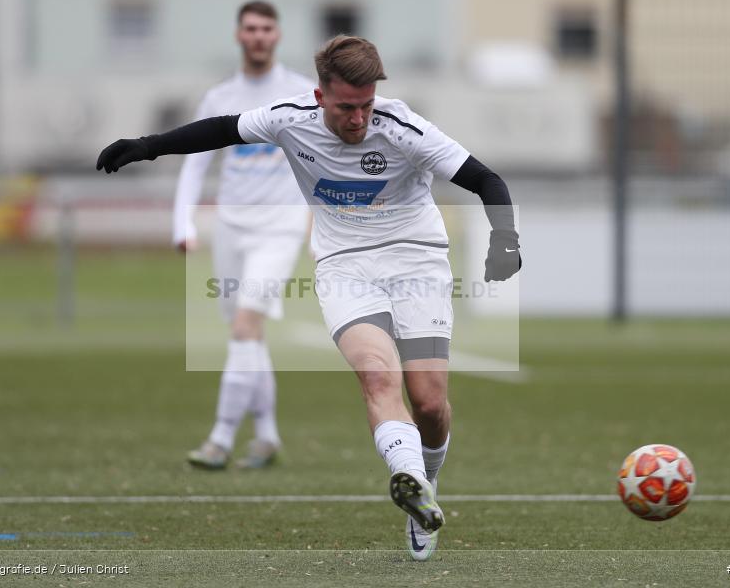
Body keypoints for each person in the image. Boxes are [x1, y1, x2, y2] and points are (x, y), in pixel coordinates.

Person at [97, 35, 521, 561]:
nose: (359, 119)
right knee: (376, 373)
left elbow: (486, 179)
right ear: (320, 97)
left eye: (366, 105)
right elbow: (222, 129)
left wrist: (506, 241)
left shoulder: (403, 127)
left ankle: (425, 485)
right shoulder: (288, 118)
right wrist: (147, 145)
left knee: (430, 402)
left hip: (418, 261)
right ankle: (408, 476)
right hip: (345, 266)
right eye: (347, 107)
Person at [173, 0, 314, 470]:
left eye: (266, 28)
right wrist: (183, 222)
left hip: (280, 227)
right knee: (249, 337)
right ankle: (269, 436)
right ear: (239, 35)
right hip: (231, 227)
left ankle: (220, 437)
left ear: (278, 35)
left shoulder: (300, 92)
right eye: (250, 28)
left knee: (244, 327)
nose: (258, 36)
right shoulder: (219, 97)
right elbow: (195, 164)